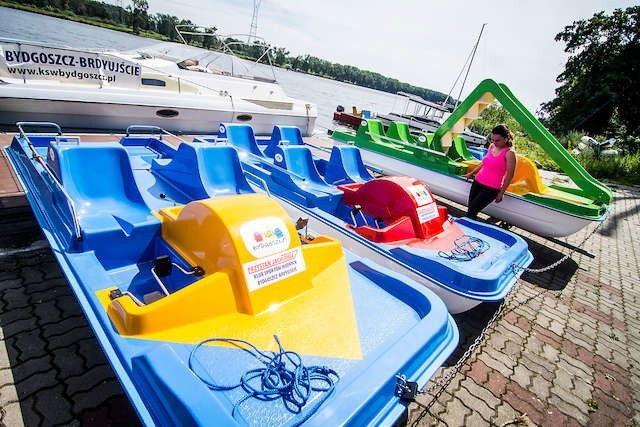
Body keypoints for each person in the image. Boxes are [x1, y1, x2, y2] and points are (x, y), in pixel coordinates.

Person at [463, 124, 516, 220]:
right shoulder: (492, 147)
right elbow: (484, 163)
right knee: (470, 211)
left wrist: (501, 193)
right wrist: (471, 173)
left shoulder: (510, 153)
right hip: (477, 182)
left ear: (506, 138)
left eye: (497, 140)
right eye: (493, 140)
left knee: (471, 212)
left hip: (491, 188)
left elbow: (510, 175)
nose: (494, 142)